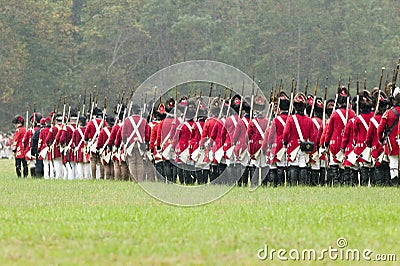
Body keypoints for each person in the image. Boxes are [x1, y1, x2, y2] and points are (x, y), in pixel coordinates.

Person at [283, 92, 316, 186]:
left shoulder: (291, 118)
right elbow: (312, 136)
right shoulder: (309, 120)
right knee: (302, 165)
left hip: (293, 146)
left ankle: (293, 185)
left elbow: (285, 133)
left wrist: (285, 142)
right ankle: (302, 185)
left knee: (293, 164)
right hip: (304, 145)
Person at [122, 104, 151, 182]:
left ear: (132, 111)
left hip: (130, 143)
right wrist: (146, 143)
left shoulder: (127, 120)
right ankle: (140, 180)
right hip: (141, 143)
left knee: (132, 162)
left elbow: (124, 134)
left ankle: (134, 180)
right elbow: (147, 134)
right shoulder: (144, 121)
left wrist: (125, 142)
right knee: (140, 162)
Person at [378, 87, 400, 186]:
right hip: (394, 140)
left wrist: (380, 139)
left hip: (392, 141)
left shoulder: (388, 113)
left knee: (394, 162)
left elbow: (380, 129)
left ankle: (395, 181)